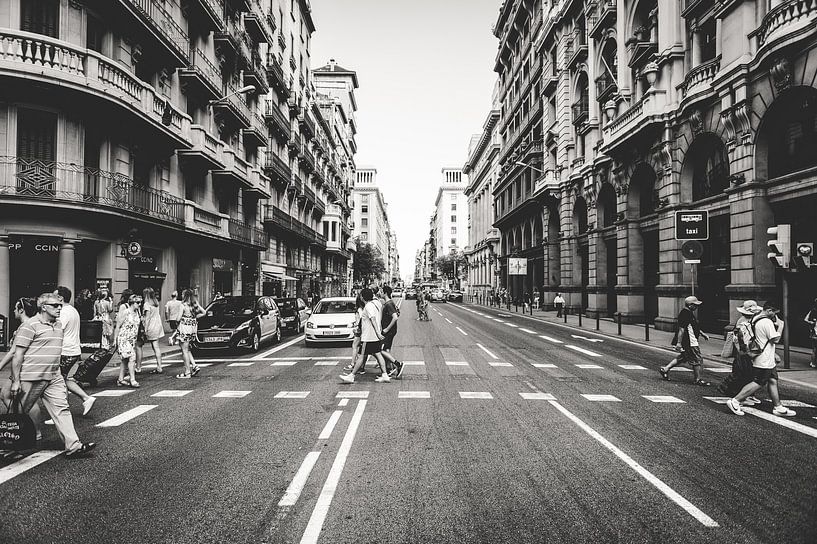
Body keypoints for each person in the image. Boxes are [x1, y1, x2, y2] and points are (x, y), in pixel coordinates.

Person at [9, 293, 96, 458]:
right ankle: (8, 445)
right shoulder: (30, 325)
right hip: (32, 376)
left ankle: (73, 446)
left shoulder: (59, 324)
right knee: (19, 413)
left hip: (53, 376)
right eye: (55, 305)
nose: (59, 308)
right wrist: (15, 381)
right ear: (43, 307)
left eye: (60, 305)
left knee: (62, 409)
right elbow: (18, 355)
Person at [727, 302, 797, 417]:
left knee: (773, 379)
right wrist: (781, 326)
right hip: (764, 359)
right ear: (769, 311)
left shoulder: (756, 319)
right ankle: (735, 401)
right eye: (774, 313)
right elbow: (775, 339)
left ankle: (778, 407)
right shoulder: (766, 322)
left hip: (765, 357)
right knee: (759, 382)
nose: (775, 316)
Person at [54, 287, 96, 416]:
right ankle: (84, 399)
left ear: (60, 298)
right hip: (72, 350)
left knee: (57, 381)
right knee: (61, 379)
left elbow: (58, 330)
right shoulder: (72, 310)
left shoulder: (63, 312)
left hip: (65, 350)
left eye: (53, 296)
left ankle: (63, 410)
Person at [340, 288, 389, 383]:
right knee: (378, 354)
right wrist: (378, 332)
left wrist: (378, 333)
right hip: (374, 336)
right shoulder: (377, 304)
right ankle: (385, 375)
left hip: (368, 337)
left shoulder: (368, 306)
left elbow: (373, 319)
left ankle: (351, 376)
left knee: (361, 356)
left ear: (362, 297)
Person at [718, 300, 763, 405]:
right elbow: (739, 338)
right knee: (745, 374)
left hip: (744, 351)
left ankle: (749, 395)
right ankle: (742, 397)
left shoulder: (750, 320)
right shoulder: (743, 321)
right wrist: (742, 351)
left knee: (748, 373)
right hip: (744, 351)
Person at [660, 296, 711, 385]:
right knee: (697, 359)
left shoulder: (689, 313)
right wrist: (679, 343)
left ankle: (665, 369)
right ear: (690, 305)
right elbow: (682, 329)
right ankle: (697, 379)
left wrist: (702, 334)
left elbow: (694, 326)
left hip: (690, 341)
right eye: (695, 305)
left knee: (683, 357)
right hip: (690, 342)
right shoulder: (685, 314)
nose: (697, 307)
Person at [175, 289, 206, 379]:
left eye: (182, 294)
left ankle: (187, 372)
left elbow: (178, 319)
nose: (181, 295)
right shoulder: (194, 305)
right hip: (192, 329)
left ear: (185, 296)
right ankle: (194, 365)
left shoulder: (183, 305)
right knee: (187, 349)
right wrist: (195, 317)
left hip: (184, 329)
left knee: (184, 350)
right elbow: (204, 312)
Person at [113, 292, 142, 388]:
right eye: (138, 302)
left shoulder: (137, 312)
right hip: (124, 338)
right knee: (132, 357)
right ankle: (132, 379)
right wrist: (115, 339)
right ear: (132, 302)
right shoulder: (126, 312)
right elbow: (118, 326)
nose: (139, 304)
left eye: (140, 302)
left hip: (132, 339)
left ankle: (120, 379)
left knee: (125, 360)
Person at [135, 287, 165, 374]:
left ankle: (138, 367)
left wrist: (145, 329)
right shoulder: (156, 303)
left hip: (151, 326)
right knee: (156, 347)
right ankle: (159, 367)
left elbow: (147, 318)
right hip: (157, 325)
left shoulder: (147, 304)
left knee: (139, 345)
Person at [379, 286, 404, 378]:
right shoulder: (389, 303)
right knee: (386, 349)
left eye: (381, 292)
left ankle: (397, 364)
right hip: (391, 331)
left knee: (379, 350)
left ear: (385, 293)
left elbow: (395, 317)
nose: (380, 293)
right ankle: (389, 368)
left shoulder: (389, 304)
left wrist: (387, 329)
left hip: (388, 332)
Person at [804, 298, 817, 369]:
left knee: (814, 349)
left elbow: (805, 319)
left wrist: (811, 322)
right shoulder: (813, 311)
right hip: (815, 333)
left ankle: (813, 363)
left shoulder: (812, 311)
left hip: (814, 333)